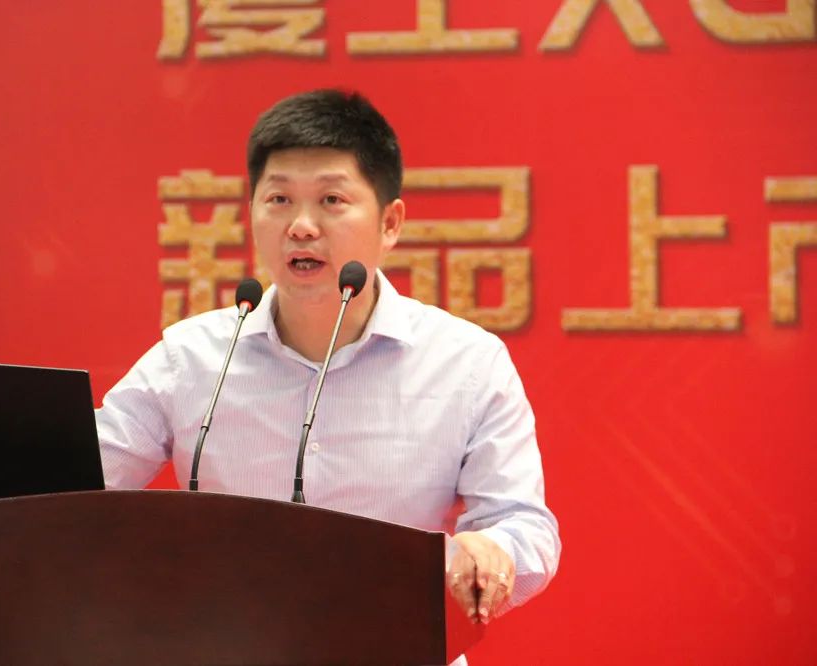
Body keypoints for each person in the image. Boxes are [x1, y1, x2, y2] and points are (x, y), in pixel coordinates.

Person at [97, 89, 560, 630]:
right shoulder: (192, 358)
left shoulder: (466, 364)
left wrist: (492, 550)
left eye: (331, 200)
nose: (301, 226)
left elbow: (523, 524)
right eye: (278, 199)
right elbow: (76, 484)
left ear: (390, 223)